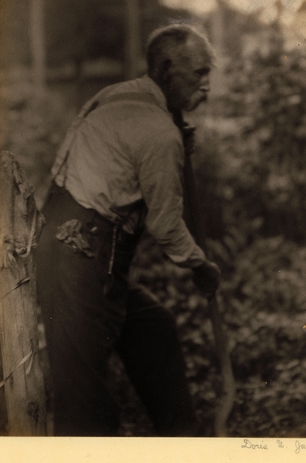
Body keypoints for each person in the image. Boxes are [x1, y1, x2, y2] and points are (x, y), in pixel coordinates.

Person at [36, 24, 221, 437]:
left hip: (71, 241)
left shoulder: (120, 93)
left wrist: (176, 127)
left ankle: (184, 440)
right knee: (84, 401)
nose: (207, 85)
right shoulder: (160, 133)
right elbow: (166, 225)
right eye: (199, 74)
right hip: (80, 255)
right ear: (168, 69)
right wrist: (200, 265)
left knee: (154, 331)